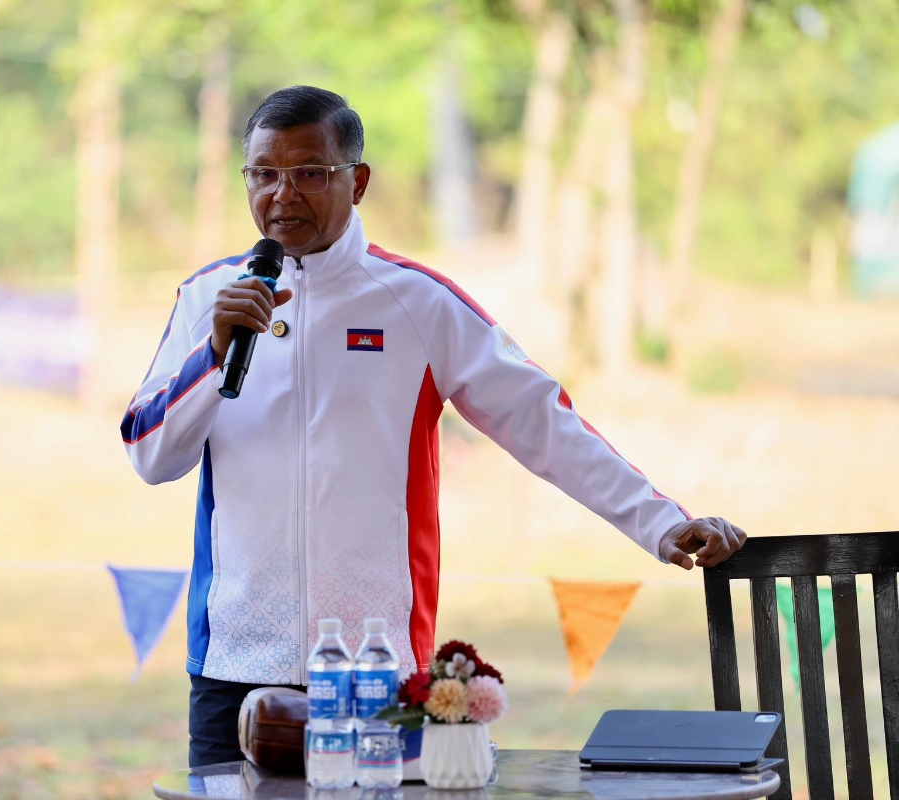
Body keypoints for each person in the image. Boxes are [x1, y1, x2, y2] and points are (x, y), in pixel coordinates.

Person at [121, 85, 747, 767]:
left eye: (310, 173)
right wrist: (213, 353)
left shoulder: (418, 303)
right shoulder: (208, 299)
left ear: (358, 181)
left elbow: (543, 422)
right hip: (233, 663)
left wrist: (659, 522)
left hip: (375, 664)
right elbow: (152, 456)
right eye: (264, 174)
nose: (282, 195)